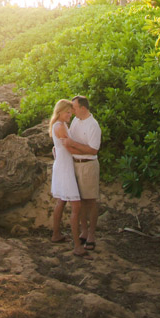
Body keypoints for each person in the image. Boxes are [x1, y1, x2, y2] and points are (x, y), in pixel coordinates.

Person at [49, 99, 89, 256]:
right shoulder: (59, 127)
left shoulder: (61, 125)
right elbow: (70, 148)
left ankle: (56, 234)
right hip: (65, 168)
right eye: (67, 112)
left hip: (62, 165)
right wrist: (89, 152)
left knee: (61, 201)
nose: (70, 115)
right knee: (76, 206)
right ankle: (77, 246)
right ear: (60, 112)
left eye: (71, 112)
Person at [68, 95, 102, 250]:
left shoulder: (93, 125)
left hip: (88, 166)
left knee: (91, 201)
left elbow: (93, 149)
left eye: (74, 107)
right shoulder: (75, 121)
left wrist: (73, 145)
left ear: (82, 108)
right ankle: (84, 231)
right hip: (75, 164)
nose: (72, 110)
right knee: (79, 200)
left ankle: (92, 235)